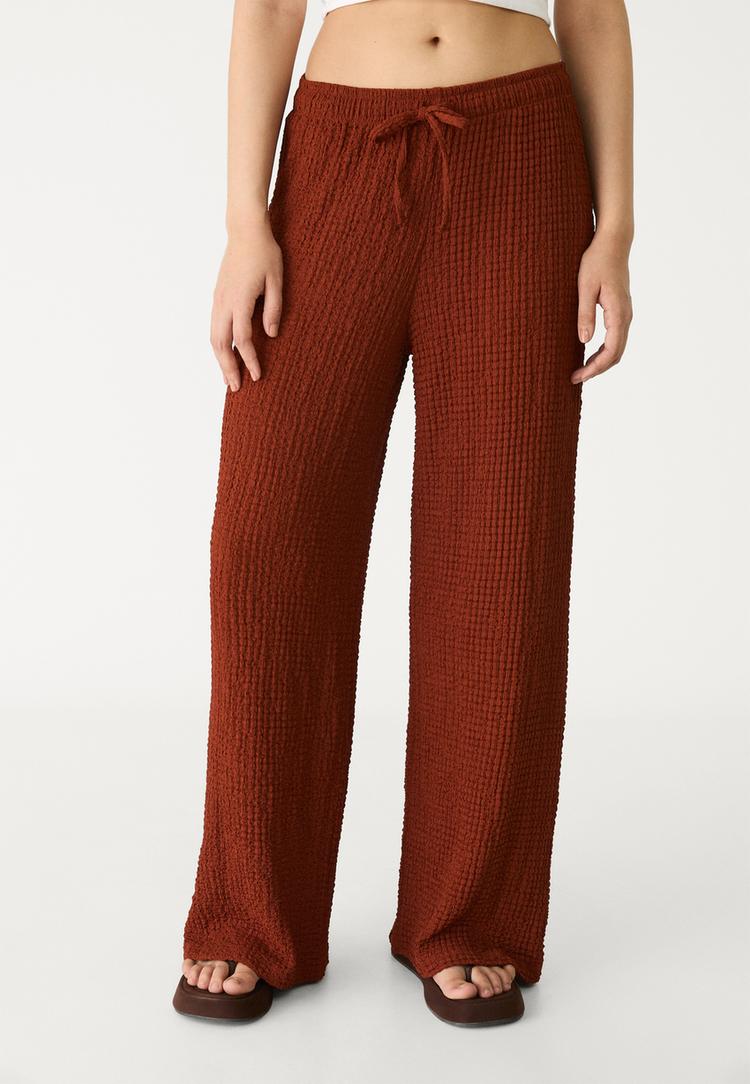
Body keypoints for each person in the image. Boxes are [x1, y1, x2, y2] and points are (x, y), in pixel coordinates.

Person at [172, 0, 633, 1027]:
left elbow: (595, 13)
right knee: (267, 544)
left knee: (500, 548)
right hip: (340, 147)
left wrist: (617, 229)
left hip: (520, 156)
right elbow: (268, 7)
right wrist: (247, 223)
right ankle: (252, 913)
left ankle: (466, 917)